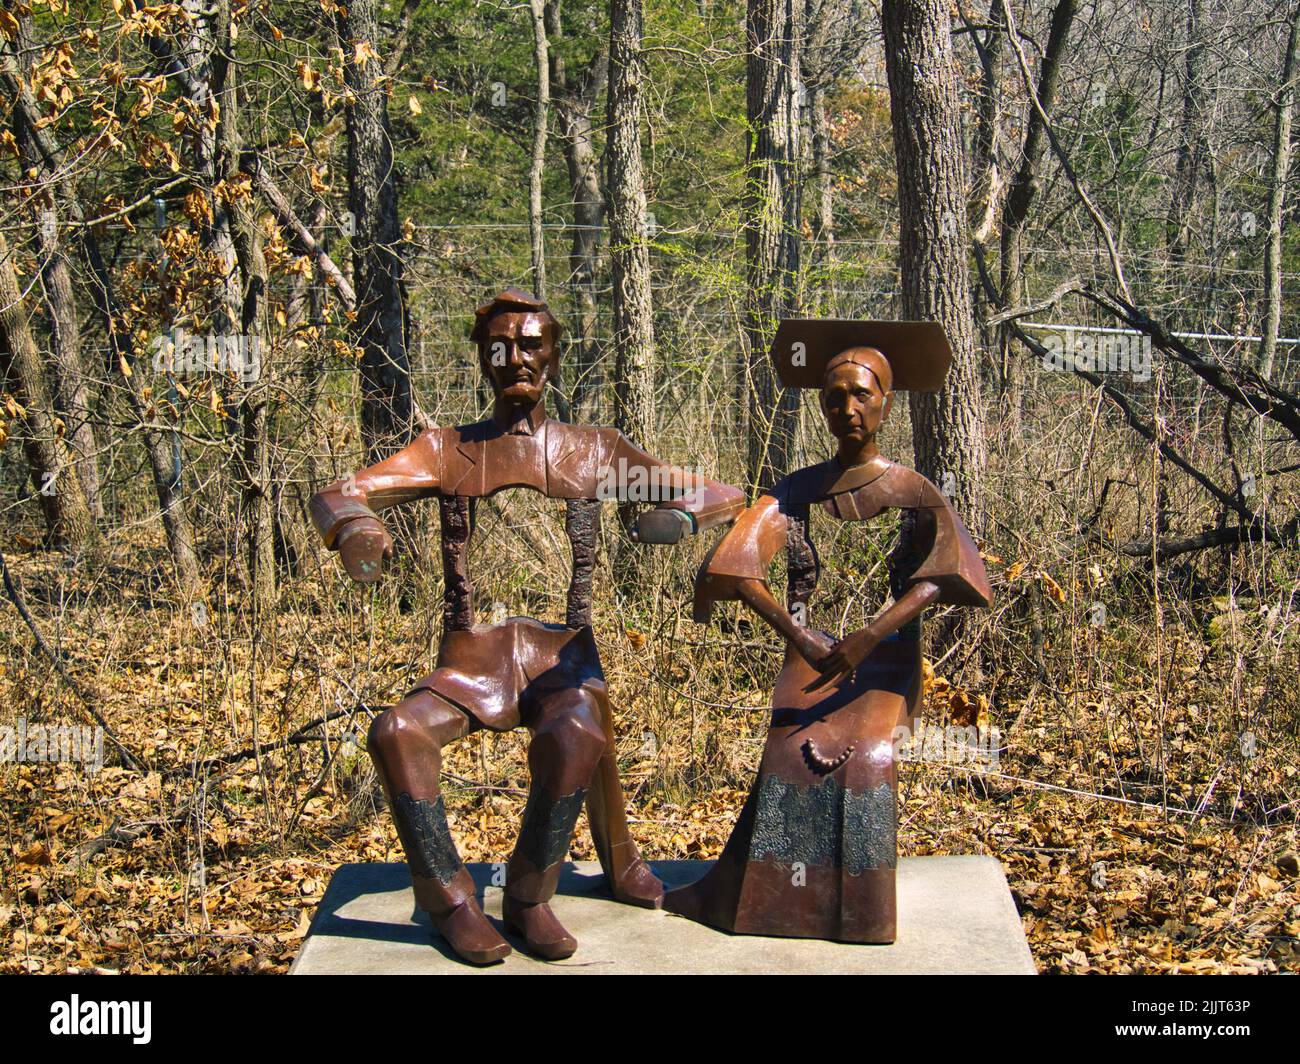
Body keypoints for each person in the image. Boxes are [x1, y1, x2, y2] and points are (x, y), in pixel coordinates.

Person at [309, 287, 744, 964]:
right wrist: (354, 523)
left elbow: (718, 492)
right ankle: (448, 898)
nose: (516, 358)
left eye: (532, 344)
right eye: (500, 347)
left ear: (555, 357)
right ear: (482, 359)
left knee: (575, 733)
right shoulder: (445, 449)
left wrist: (675, 512)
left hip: (560, 660)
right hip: (470, 664)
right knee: (395, 730)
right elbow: (340, 489)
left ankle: (528, 894)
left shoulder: (593, 450)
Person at [663, 319, 993, 943]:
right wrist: (799, 633)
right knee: (788, 747)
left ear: (886, 402)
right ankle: (774, 904)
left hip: (889, 661)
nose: (847, 408)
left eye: (861, 395)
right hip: (810, 660)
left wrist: (873, 634)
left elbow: (944, 573)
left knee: (869, 754)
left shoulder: (913, 488)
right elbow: (735, 565)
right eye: (833, 396)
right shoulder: (797, 489)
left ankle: (862, 914)